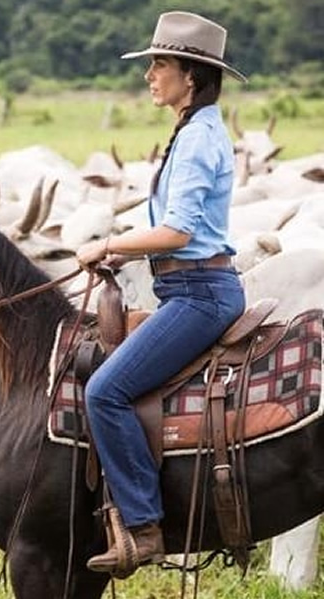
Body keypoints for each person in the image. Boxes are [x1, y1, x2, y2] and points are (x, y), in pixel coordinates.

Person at [75, 11, 247, 576]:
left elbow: (179, 232)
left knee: (105, 391)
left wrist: (109, 245)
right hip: (185, 285)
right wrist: (124, 250)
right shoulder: (192, 130)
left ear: (190, 76)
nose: (150, 75)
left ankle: (144, 527)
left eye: (160, 65)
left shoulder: (198, 138)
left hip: (200, 294)